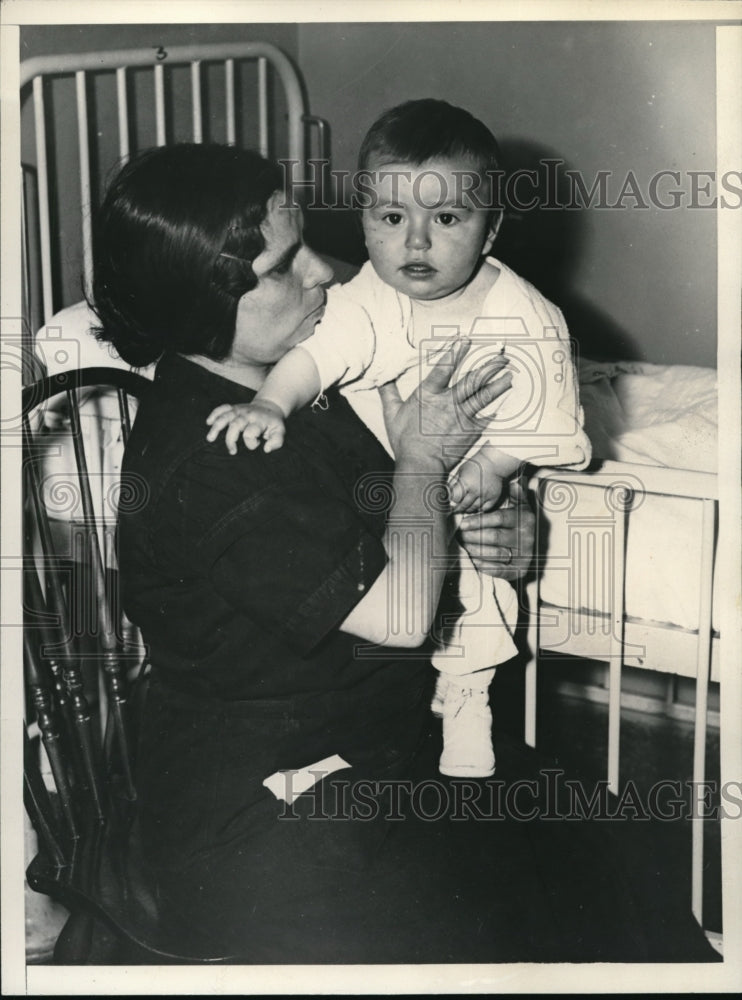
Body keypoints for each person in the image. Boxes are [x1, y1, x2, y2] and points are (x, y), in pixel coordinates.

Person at [91, 143, 716, 966]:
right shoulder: (215, 460)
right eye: (286, 265)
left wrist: (505, 532)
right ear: (208, 301)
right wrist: (423, 459)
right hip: (268, 811)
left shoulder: (295, 379)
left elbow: (410, 524)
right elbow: (397, 613)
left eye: (310, 241)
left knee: (613, 850)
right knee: (507, 926)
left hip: (383, 747)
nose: (327, 273)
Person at [204, 99, 592, 780]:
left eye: (446, 219)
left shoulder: (525, 318)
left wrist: (496, 470)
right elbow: (315, 360)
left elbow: (544, 412)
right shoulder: (367, 301)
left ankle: (468, 692)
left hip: (463, 474)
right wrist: (268, 402)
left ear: (490, 229)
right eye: (391, 219)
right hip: (389, 488)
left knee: (478, 585)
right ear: (364, 221)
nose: (416, 244)